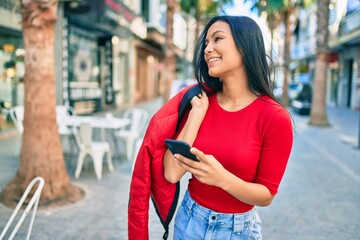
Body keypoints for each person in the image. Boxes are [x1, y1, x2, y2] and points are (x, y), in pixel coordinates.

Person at [163, 15, 293, 240]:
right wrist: (196, 115)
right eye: (206, 44)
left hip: (237, 231)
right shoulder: (200, 101)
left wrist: (221, 178)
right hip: (189, 221)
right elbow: (172, 173)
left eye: (217, 39)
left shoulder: (274, 117)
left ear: (245, 47)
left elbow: (266, 195)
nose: (207, 49)